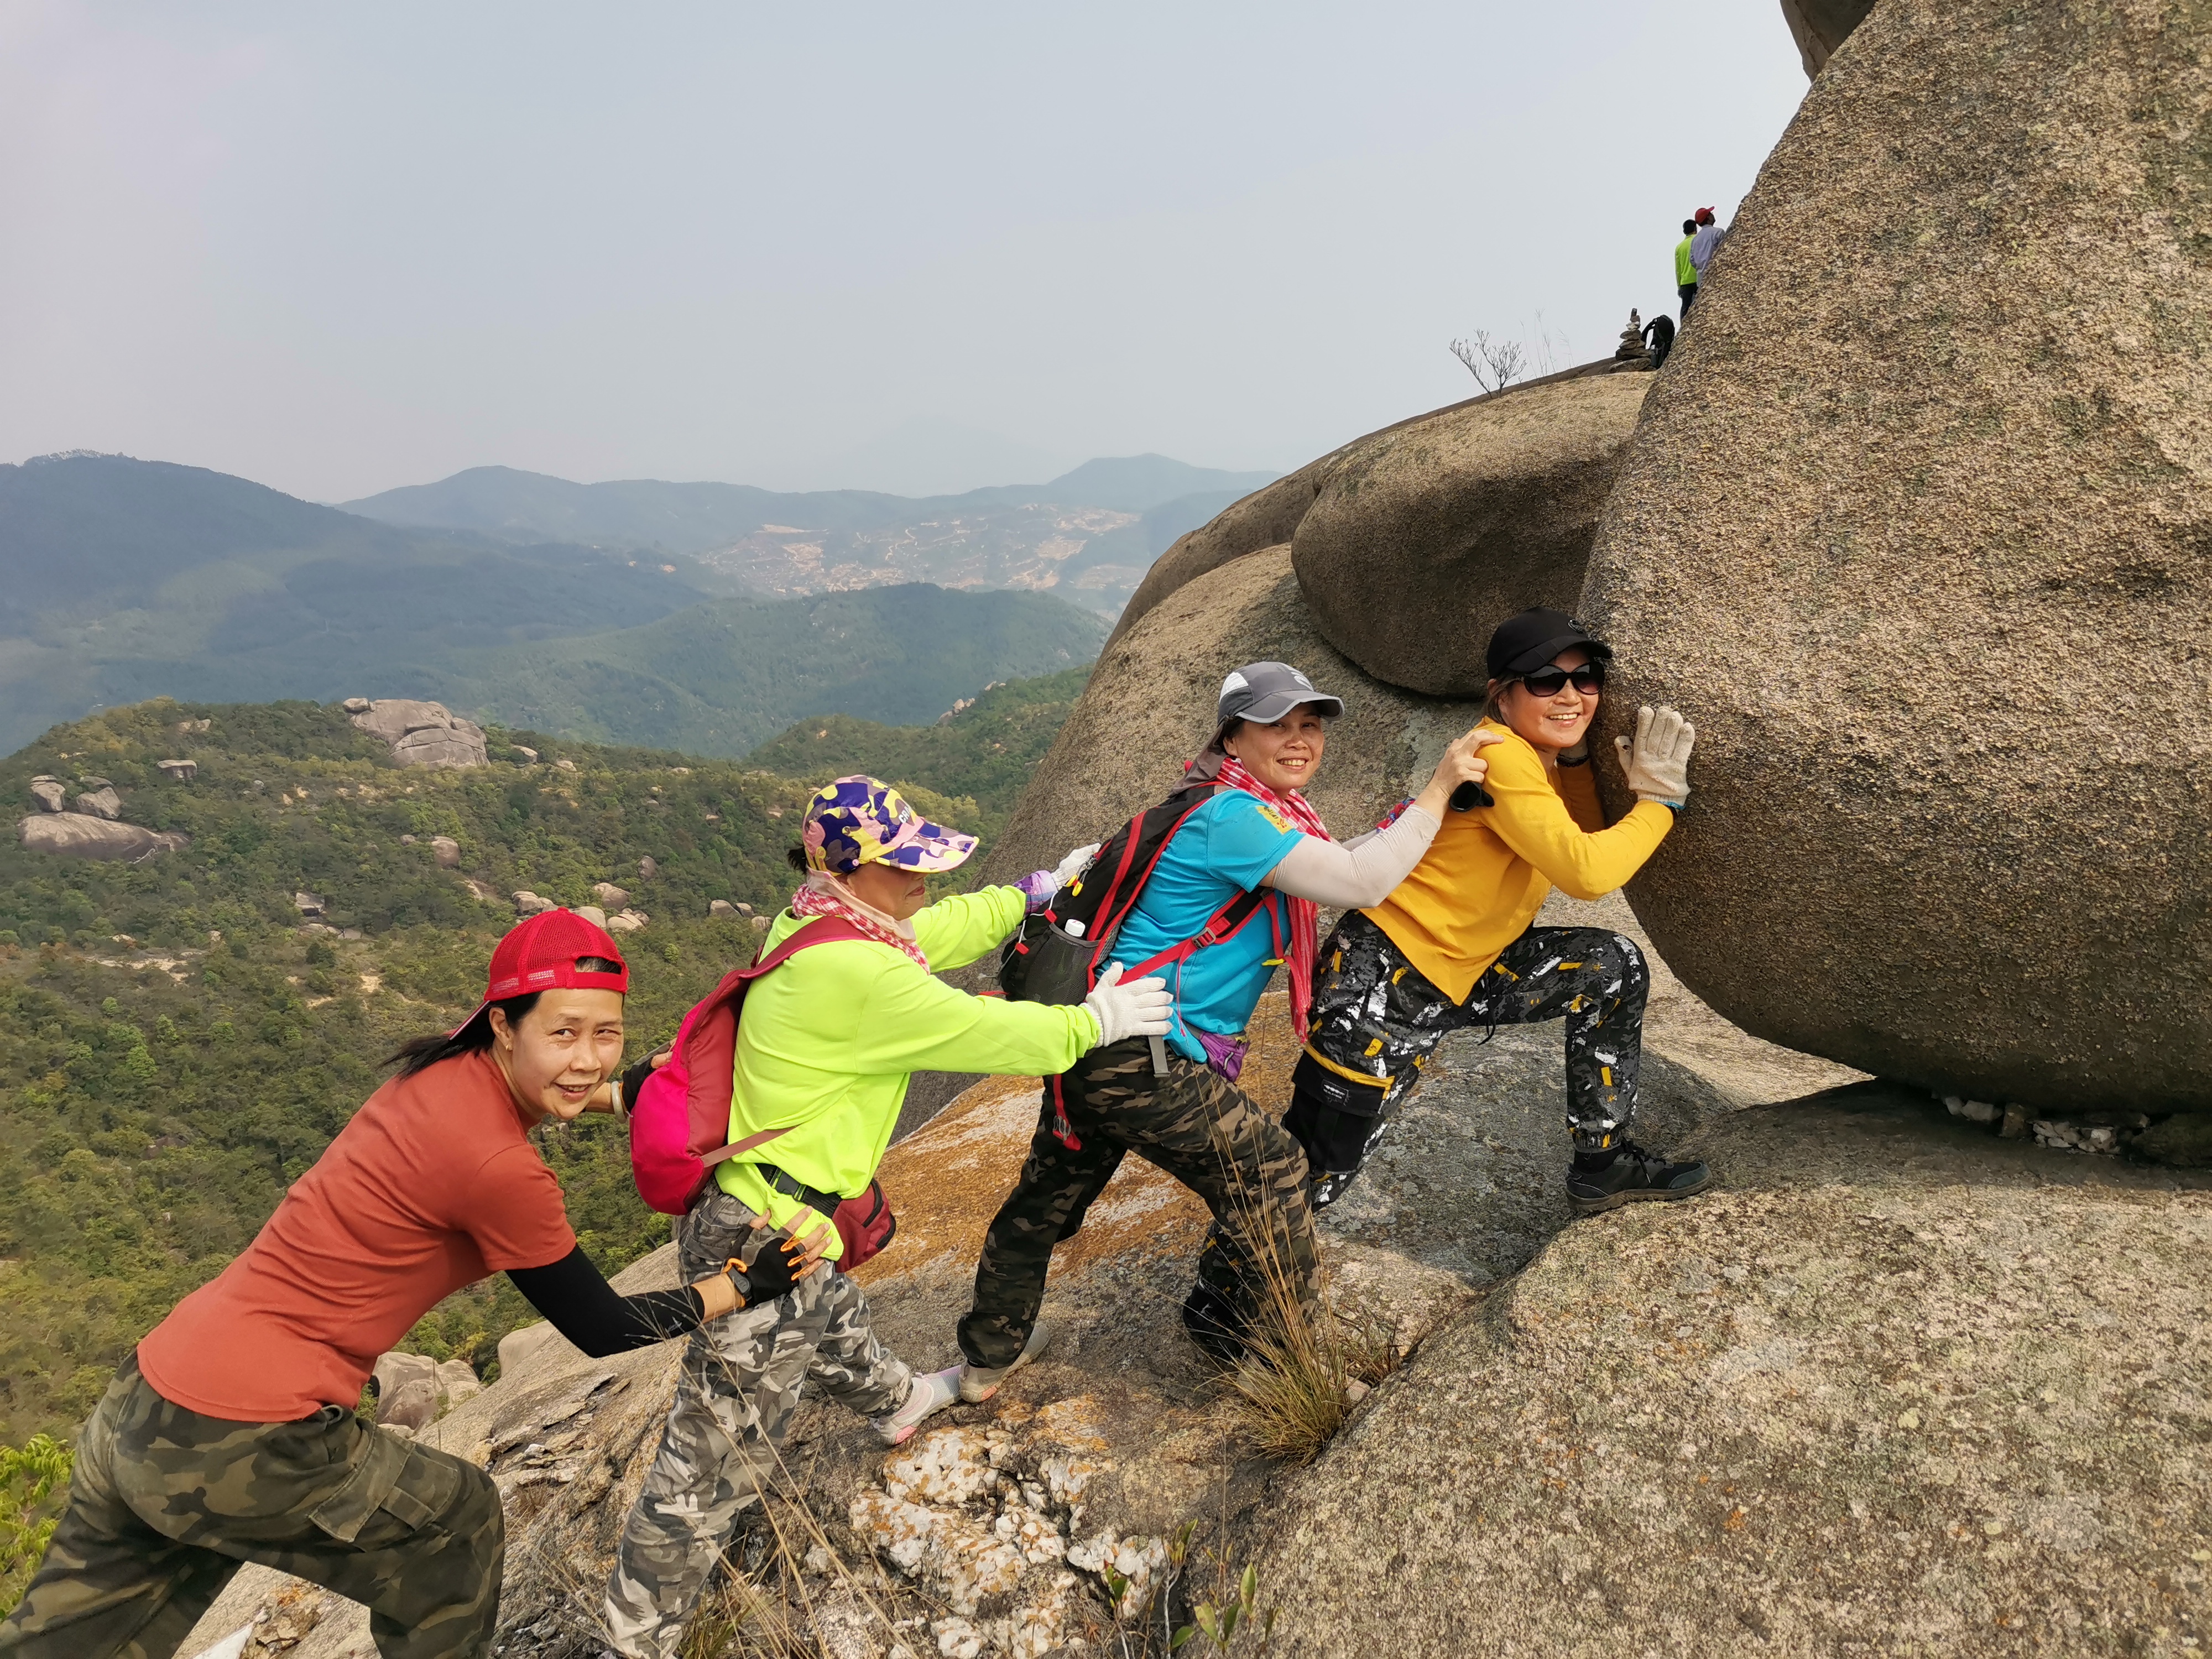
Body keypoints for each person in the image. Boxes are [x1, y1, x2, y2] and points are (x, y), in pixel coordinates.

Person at [0, 910, 799, 1659]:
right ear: (503, 1025)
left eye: (606, 1034)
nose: (587, 1057)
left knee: (59, 1644)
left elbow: (543, 1089)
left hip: (146, 1397)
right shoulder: (500, 1170)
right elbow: (603, 1328)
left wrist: (622, 1094)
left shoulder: (438, 1070)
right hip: (246, 1432)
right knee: (457, 1526)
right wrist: (741, 1285)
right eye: (563, 1033)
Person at [602, 776, 1168, 1659]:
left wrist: (1030, 893)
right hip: (764, 1238)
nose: (921, 878)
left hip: (760, 1210)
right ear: (848, 871)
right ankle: (631, 1642)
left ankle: (900, 1401)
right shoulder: (859, 972)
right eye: (902, 864)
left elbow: (932, 932)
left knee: (828, 1310)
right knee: (709, 1465)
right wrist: (1094, 1021)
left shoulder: (816, 922)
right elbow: (988, 1033)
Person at [955, 662, 1498, 1373]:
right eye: (1277, 724)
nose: (1299, 739)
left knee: (1045, 1200)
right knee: (1273, 1170)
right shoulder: (1231, 817)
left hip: (1097, 1040)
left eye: (1310, 724)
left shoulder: (1244, 810)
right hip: (1139, 1049)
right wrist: (1439, 786)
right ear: (1232, 738)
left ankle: (989, 1356)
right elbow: (1361, 883)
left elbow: (1335, 862)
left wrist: (1415, 819)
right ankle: (1298, 1368)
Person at [1285, 608, 1711, 1220]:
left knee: (1609, 967)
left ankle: (1603, 1164)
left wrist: (1576, 761)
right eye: (1545, 680)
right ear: (1501, 695)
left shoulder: (1534, 757)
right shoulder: (1501, 754)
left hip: (1470, 968)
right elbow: (1587, 873)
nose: (1570, 695)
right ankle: (1234, 1278)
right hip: (1389, 981)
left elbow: (1579, 834)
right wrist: (1659, 801)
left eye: (1585, 678)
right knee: (1317, 1171)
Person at [1689, 206, 1724, 287]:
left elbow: (1692, 260)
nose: (1713, 215)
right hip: (1717, 278)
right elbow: (1725, 253)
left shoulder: (1695, 240)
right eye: (1711, 213)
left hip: (1701, 280)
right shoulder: (1718, 233)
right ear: (1708, 217)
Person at [1676, 216, 1701, 318]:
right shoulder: (1698, 241)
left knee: (1685, 308)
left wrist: (1679, 286)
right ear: (1695, 229)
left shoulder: (1679, 247)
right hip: (1698, 279)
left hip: (1685, 282)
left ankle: (1684, 327)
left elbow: (1678, 269)